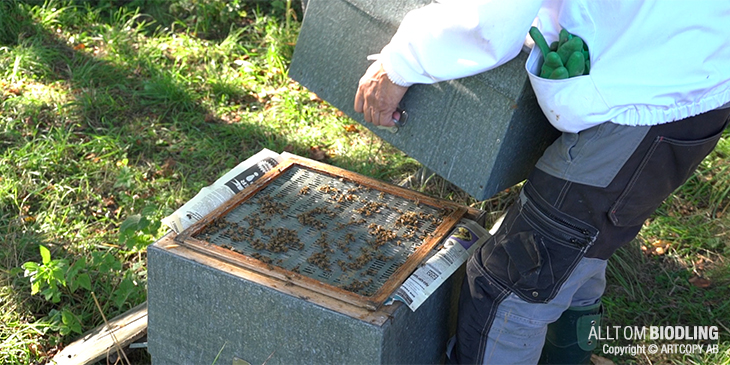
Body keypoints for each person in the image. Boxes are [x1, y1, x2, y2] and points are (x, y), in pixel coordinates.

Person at [354, 0, 730, 363]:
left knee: (507, 288)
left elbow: (492, 19)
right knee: (580, 252)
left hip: (648, 97)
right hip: (681, 74)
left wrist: (400, 63)